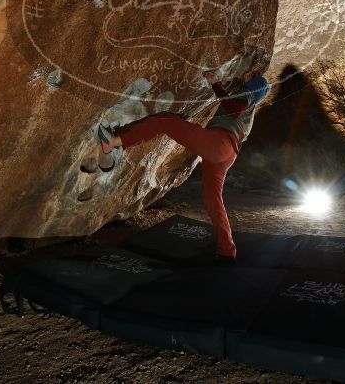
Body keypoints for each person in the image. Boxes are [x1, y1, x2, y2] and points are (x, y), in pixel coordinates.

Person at [97, 70, 271, 263]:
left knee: (164, 122)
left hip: (218, 143)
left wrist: (215, 83)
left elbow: (234, 108)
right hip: (227, 153)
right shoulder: (251, 112)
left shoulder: (247, 96)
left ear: (254, 88)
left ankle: (114, 142)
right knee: (213, 200)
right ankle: (227, 252)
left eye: (251, 82)